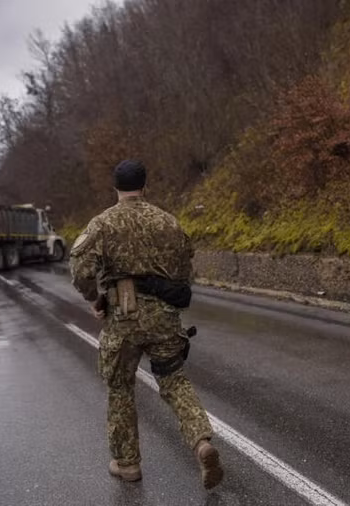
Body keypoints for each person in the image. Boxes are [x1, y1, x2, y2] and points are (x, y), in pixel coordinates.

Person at [68, 159, 224, 490]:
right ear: (145, 186)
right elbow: (184, 272)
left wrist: (95, 299)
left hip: (122, 320)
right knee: (174, 381)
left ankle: (128, 465)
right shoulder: (168, 223)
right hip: (165, 319)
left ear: (115, 188)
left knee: (121, 388)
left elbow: (79, 269)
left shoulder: (103, 223)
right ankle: (201, 442)